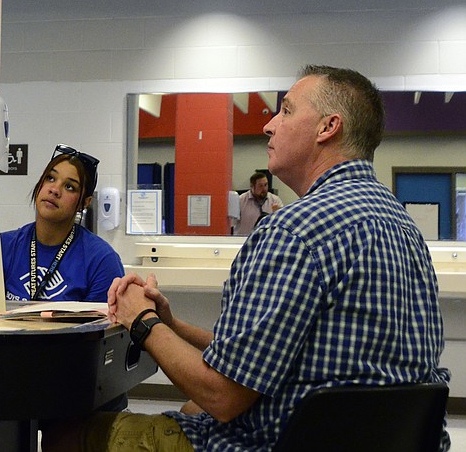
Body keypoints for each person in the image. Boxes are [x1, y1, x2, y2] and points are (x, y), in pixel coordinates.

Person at [41, 65, 450, 452]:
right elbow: (265, 356)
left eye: (286, 111)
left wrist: (141, 321)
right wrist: (173, 326)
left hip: (276, 443)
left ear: (328, 128)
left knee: (66, 434)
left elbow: (222, 396)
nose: (270, 124)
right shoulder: (402, 225)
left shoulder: (294, 230)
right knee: (189, 410)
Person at [1, 144, 124, 303]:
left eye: (69, 187)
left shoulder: (101, 260)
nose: (54, 190)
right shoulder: (4, 247)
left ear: (84, 203)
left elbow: (100, 326)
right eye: (50, 178)